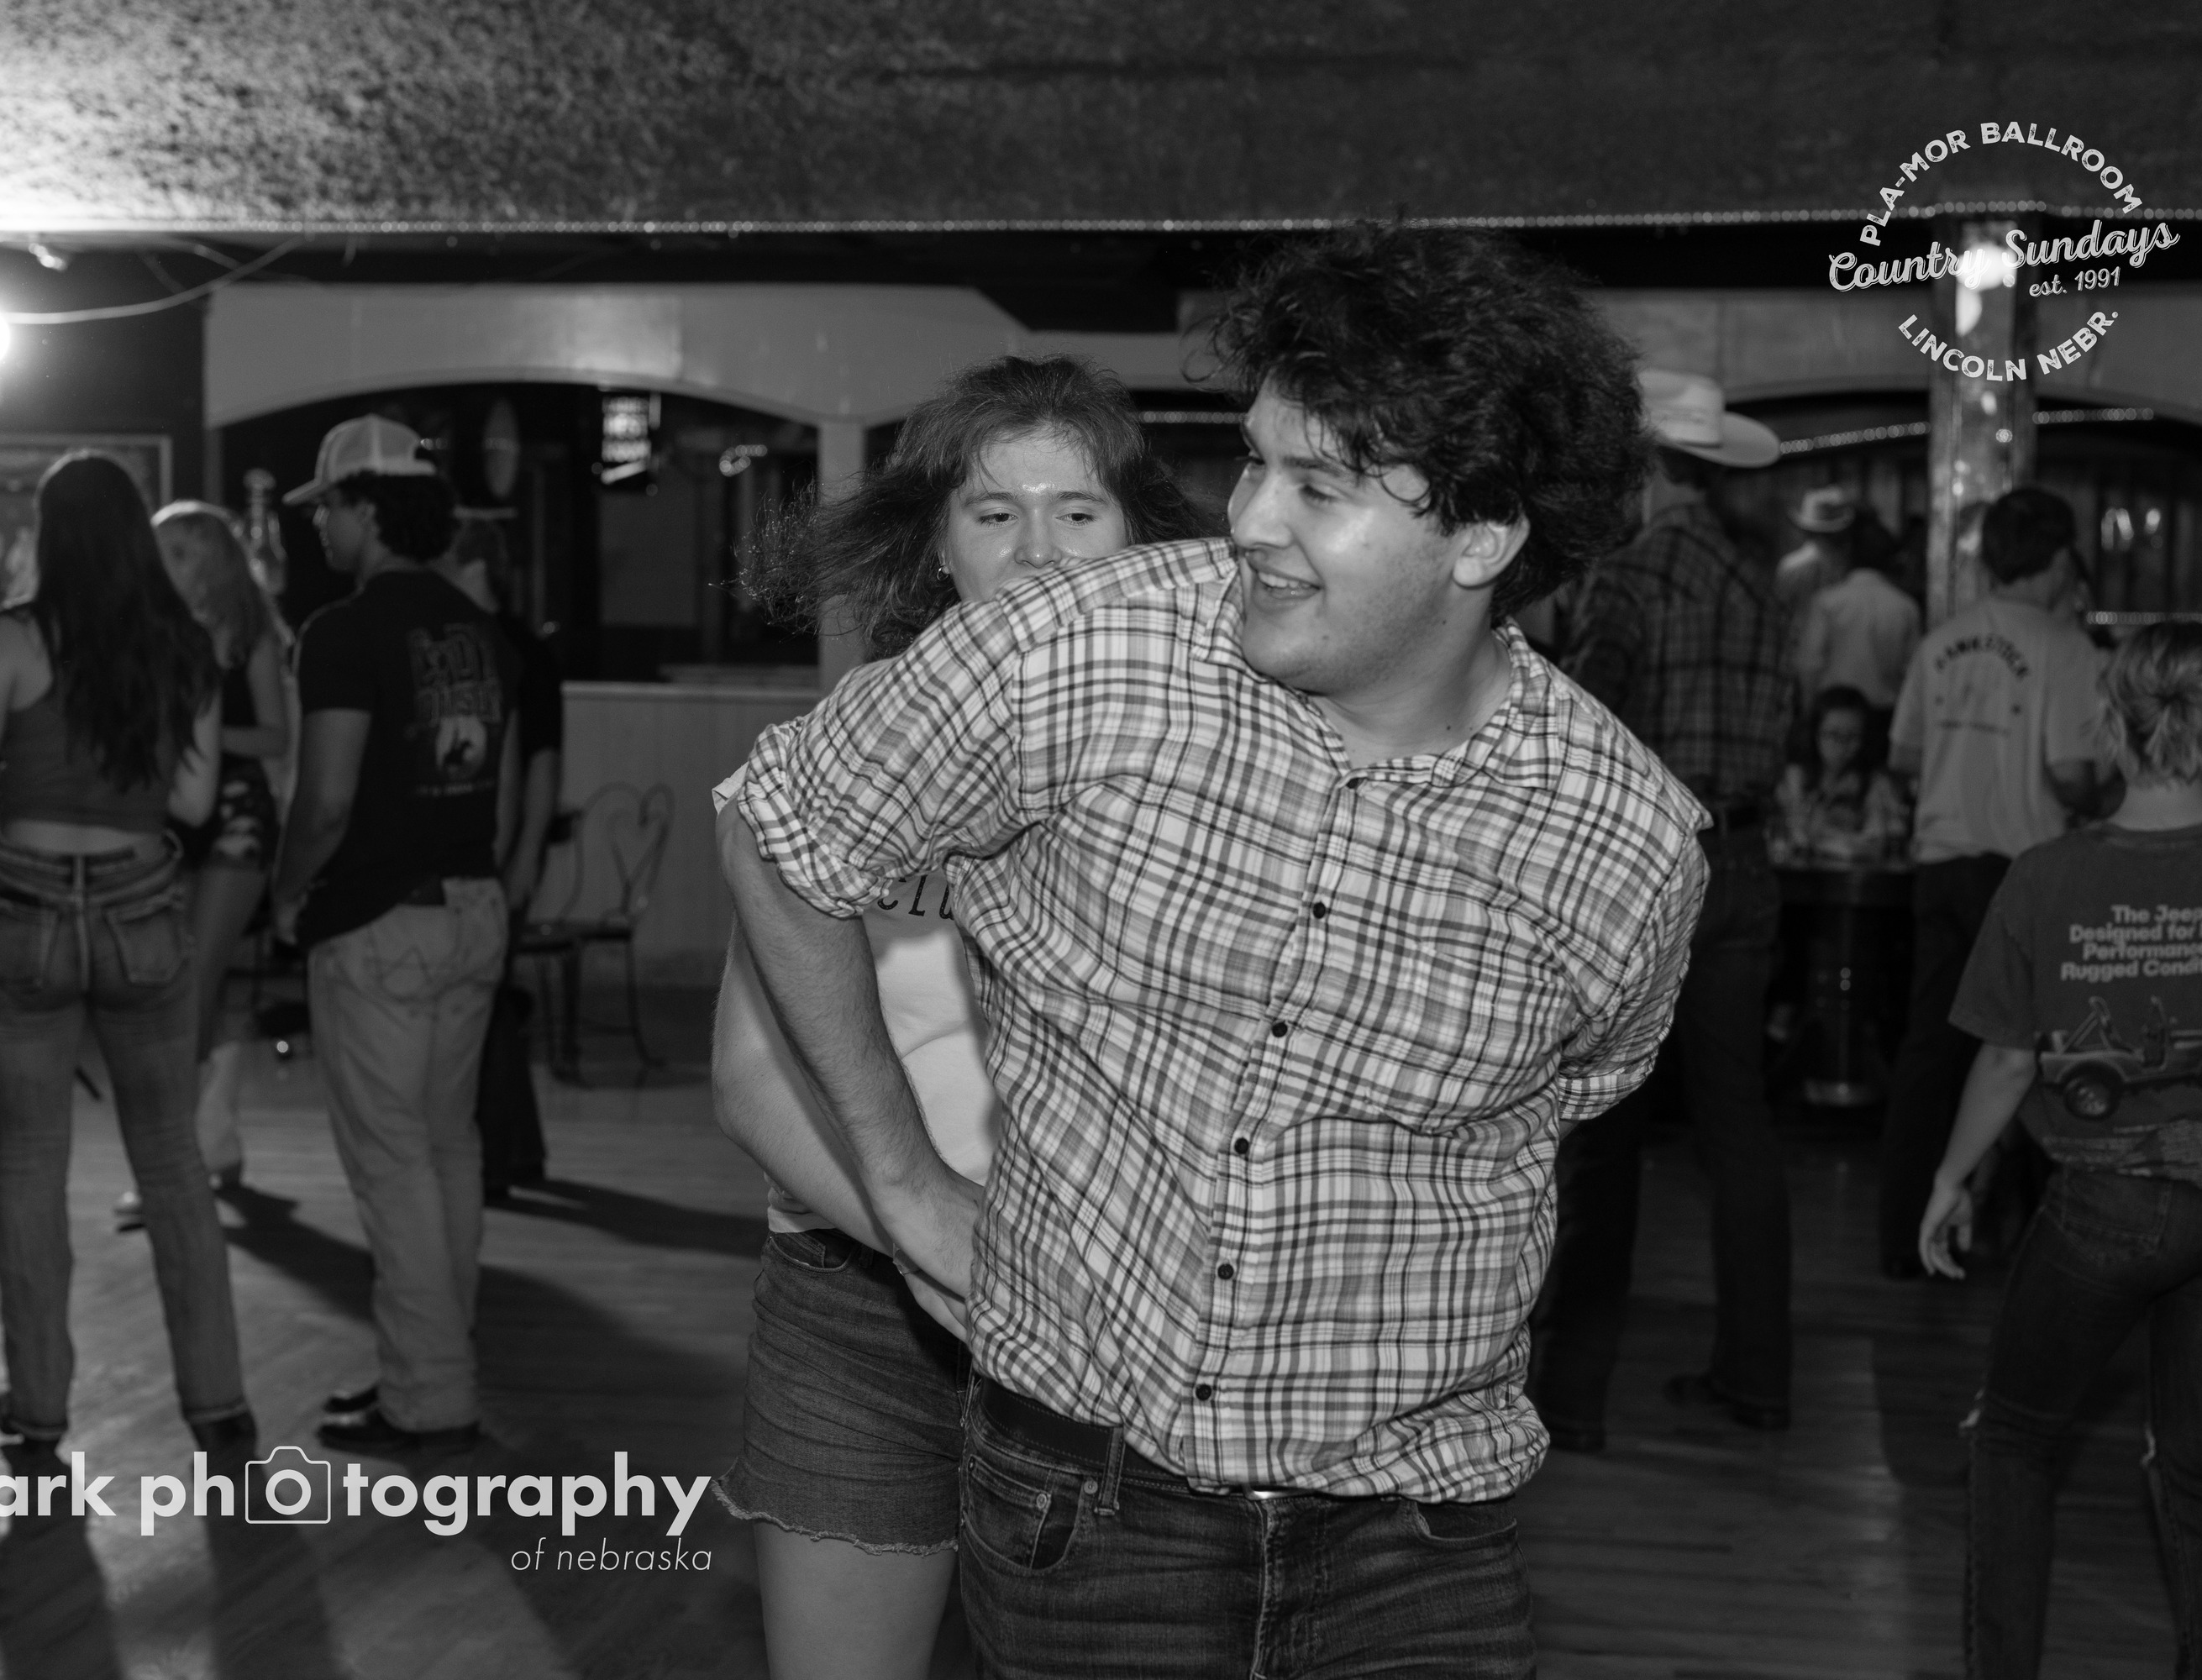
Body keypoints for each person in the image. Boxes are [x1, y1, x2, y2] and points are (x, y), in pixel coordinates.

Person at [719, 225, 1705, 1674]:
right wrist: (905, 1183)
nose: (1249, 517)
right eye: (1254, 462)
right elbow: (781, 826)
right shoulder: (1083, 653)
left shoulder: (1622, 839)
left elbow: (1578, 1094)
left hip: (1421, 1534)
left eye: (1319, 487)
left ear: (1483, 537)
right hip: (1090, 1505)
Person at [710, 354, 1207, 1680]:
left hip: (1120, 1318)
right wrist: (939, 1236)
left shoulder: (1212, 766)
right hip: (860, 1306)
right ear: (937, 546)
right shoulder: (857, 747)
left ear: (1142, 537)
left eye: (1078, 511)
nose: (1038, 551)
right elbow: (750, 1080)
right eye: (995, 513)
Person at [1920, 621, 2202, 1677]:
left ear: (2108, 721)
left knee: (2012, 1437)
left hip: (2110, 1210)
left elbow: (2009, 1062)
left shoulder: (2047, 874)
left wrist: (1952, 1178)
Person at [0, 453, 252, 1455]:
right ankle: (218, 1403)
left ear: (51, 532)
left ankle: (38, 1413)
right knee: (171, 1164)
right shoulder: (183, 645)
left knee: (32, 1164)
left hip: (26, 909)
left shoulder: (12, 637)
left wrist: (11, 852)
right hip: (141, 905)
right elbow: (193, 803)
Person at [1542, 369, 1797, 1445]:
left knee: (1607, 1136)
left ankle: (1574, 1397)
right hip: (1749, 855)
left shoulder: (1633, 577)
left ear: (1650, 469)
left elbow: (1586, 735)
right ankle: (1758, 1375)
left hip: (1652, 871)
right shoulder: (1765, 586)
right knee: (1740, 1129)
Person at [271, 415, 519, 1455]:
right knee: (449, 1148)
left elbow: (325, 799)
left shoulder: (344, 631)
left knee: (394, 1165)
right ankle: (434, 1364)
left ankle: (430, 1396)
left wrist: (286, 894)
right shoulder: (479, 627)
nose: (318, 524)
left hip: (380, 920)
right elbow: (503, 795)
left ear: (367, 509)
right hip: (472, 907)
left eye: (327, 505)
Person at [1875, 486, 2112, 1278]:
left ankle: (1904, 1236)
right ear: (2058, 558)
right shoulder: (2064, 646)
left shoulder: (1941, 639)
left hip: (1940, 864)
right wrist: (2115, 792)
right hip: (2022, 871)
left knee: (1928, 1054)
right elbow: (2071, 776)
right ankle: (2045, 1247)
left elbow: (1904, 758)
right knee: (2039, 1054)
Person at [103, 502, 292, 1233]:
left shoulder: (248, 635)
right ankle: (214, 1136)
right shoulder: (146, 633)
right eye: (157, 551)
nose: (161, 564)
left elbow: (277, 736)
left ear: (212, 563)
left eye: (177, 553)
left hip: (237, 811)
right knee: (177, 981)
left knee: (192, 979)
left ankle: (173, 1163)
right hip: (171, 815)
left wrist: (203, 731)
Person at [434, 516, 560, 1200]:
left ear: (474, 566)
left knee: (482, 1006)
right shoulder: (485, 641)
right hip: (487, 853)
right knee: (490, 1001)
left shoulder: (513, 648)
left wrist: (524, 858)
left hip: (497, 855)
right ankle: (519, 1153)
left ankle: (496, 1163)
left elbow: (542, 763)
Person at [1797, 512, 1920, 714]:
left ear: (1849, 554)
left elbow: (1810, 664)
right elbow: (1912, 671)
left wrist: (1808, 711)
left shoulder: (1828, 602)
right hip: (1885, 714)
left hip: (1835, 712)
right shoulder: (1905, 606)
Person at [1775, 684, 1909, 861]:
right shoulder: (1797, 777)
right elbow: (1792, 834)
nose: (1842, 746)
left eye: (1852, 736)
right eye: (1833, 735)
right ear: (1815, 733)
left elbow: (1880, 840)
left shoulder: (1876, 782)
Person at [1774, 485, 1856, 652]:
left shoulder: (1790, 566)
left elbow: (1779, 612)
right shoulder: (1846, 566)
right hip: (1840, 648)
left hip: (1798, 646)